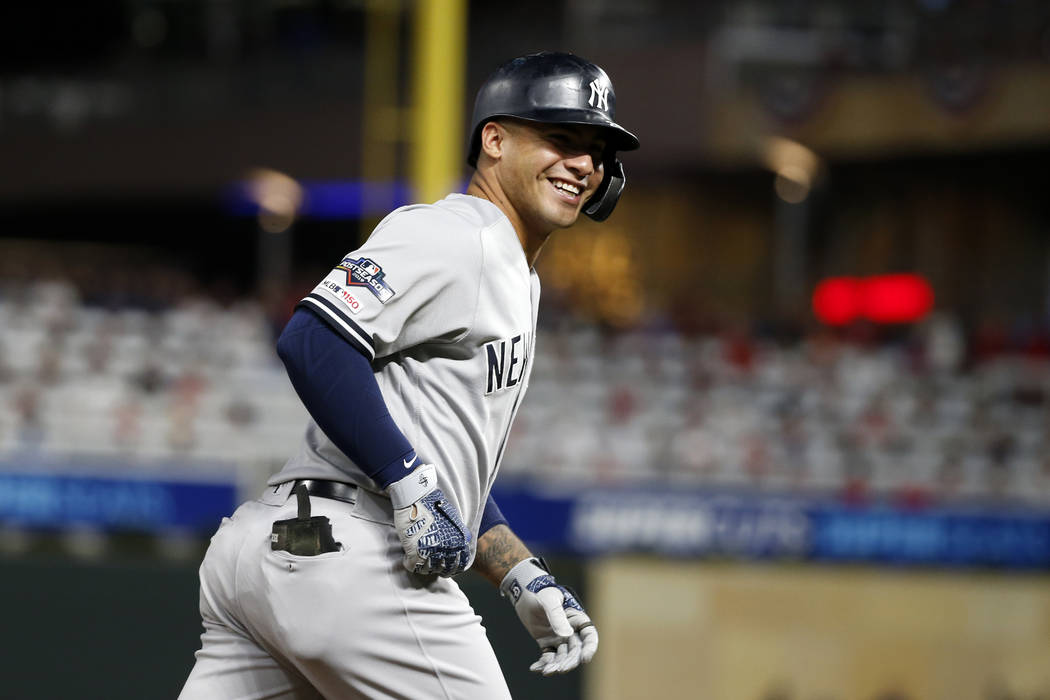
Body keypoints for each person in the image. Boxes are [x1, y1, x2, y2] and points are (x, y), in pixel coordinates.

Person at [180, 51, 639, 699]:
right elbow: (312, 338)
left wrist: (520, 574)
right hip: (356, 559)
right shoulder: (457, 233)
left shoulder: (512, 271)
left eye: (598, 151)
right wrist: (410, 482)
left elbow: (448, 474)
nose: (585, 164)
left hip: (270, 550)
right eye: (561, 139)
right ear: (495, 140)